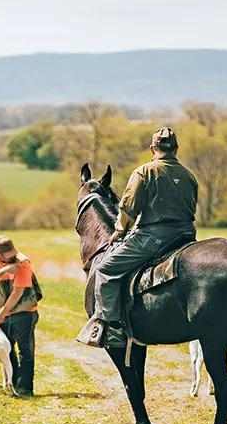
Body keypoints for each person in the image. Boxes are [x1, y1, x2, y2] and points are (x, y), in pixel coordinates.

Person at [76, 127, 198, 348]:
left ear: (153, 148)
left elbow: (128, 209)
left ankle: (111, 329)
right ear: (176, 149)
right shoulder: (189, 175)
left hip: (153, 238)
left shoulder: (145, 172)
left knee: (105, 269)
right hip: (186, 235)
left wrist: (119, 231)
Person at [0, 235, 41, 397]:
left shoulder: (23, 262)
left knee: (25, 351)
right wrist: (6, 270)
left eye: (13, 254)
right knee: (7, 350)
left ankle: (25, 389)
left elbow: (17, 292)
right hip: (5, 310)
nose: (13, 258)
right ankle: (13, 385)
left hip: (25, 311)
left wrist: (0, 315)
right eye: (7, 257)